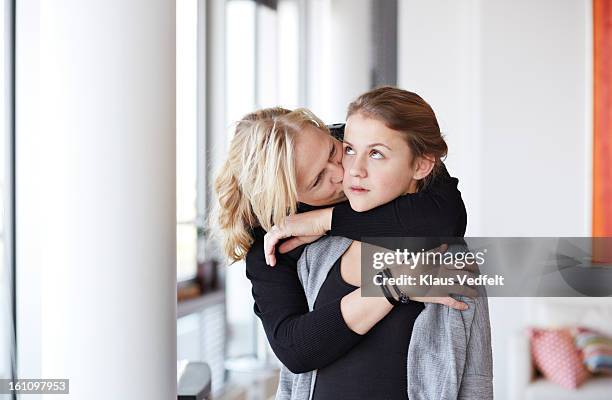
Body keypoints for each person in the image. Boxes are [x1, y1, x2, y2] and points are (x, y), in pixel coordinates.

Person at [212, 92, 484, 396]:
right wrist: (393, 286)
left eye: (333, 151)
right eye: (317, 180)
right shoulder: (270, 240)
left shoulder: (366, 140)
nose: (344, 173)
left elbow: (445, 219)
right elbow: (294, 349)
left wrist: (324, 219)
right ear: (289, 200)